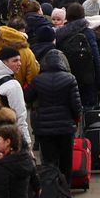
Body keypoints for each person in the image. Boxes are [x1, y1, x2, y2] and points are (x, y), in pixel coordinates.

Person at [24, 49, 83, 183]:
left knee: (49, 161)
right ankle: (65, 187)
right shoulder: (70, 79)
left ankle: (51, 186)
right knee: (66, 160)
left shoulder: (38, 80)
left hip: (44, 127)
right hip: (65, 126)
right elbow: (76, 104)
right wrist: (76, 119)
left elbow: (27, 97)